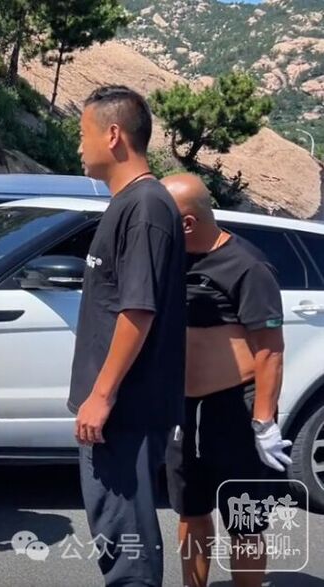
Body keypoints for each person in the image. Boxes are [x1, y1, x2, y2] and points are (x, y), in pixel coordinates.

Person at [68, 86, 187, 586]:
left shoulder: (145, 207)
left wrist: (101, 395)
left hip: (126, 411)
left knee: (125, 541)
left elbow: (138, 310)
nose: (78, 145)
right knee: (114, 532)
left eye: (83, 133)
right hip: (118, 409)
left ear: (113, 135)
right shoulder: (130, 204)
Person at [162, 173, 288, 587]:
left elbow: (269, 350)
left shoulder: (247, 266)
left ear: (187, 223)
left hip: (234, 409)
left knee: (244, 521)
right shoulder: (169, 259)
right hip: (184, 410)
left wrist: (264, 422)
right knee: (191, 512)